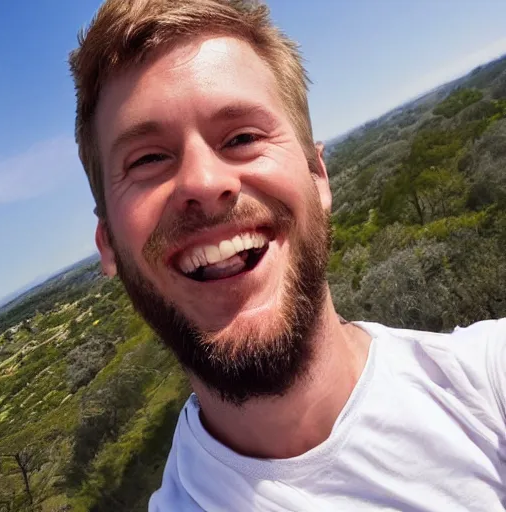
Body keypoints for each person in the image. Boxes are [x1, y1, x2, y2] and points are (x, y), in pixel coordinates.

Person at [69, 0, 506, 510]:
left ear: (318, 177)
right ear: (108, 246)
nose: (205, 184)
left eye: (242, 137)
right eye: (147, 159)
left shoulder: (487, 383)